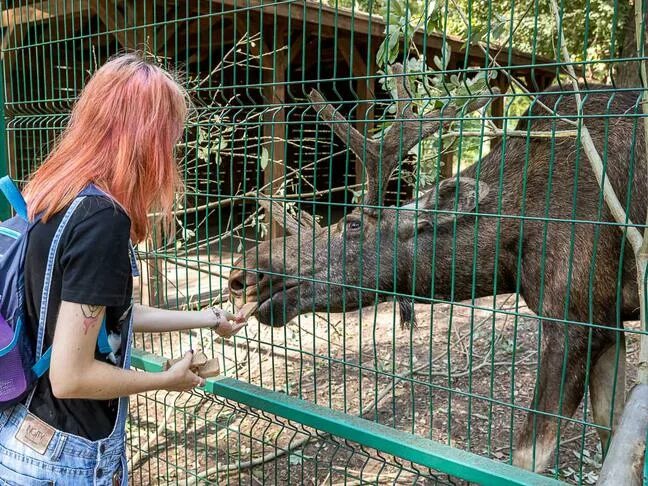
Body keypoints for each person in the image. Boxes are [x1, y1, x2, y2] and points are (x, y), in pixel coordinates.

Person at [0, 53, 246, 485]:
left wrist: (208, 318)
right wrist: (164, 380)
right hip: (64, 460)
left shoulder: (57, 196)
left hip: (23, 435)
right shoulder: (102, 221)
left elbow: (100, 319)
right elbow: (71, 376)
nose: (172, 149)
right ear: (145, 137)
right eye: (169, 135)